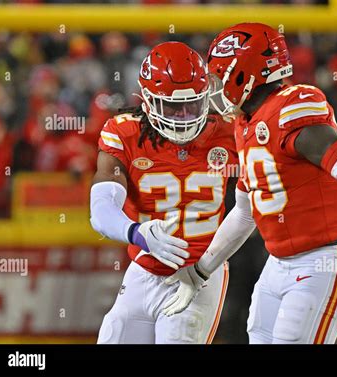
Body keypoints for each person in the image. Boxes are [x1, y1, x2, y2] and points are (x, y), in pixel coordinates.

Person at [163, 23, 337, 344]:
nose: (214, 88)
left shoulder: (292, 108)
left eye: (219, 76)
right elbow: (245, 212)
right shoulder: (247, 123)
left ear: (243, 73)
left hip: (321, 263)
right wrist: (200, 271)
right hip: (277, 266)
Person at [89, 41, 236, 344]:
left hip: (201, 273)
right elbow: (101, 206)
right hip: (143, 270)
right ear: (147, 101)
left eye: (192, 105)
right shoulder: (124, 133)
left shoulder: (230, 130)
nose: (183, 115)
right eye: (172, 106)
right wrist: (137, 233)